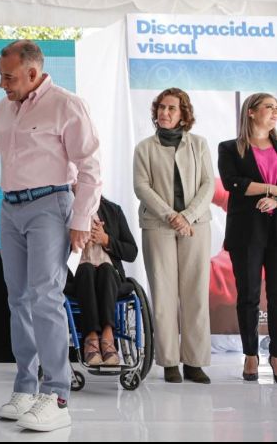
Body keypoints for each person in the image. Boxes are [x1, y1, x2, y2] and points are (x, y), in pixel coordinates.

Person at [0, 40, 101, 432]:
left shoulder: (66, 104)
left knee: (46, 297)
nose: (2, 84)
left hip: (50, 205)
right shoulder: (5, 108)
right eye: (0, 76)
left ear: (32, 73)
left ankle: (57, 395)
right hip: (10, 208)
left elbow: (90, 165)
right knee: (19, 299)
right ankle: (26, 388)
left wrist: (81, 218)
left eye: (8, 77)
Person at [133, 87, 214, 384]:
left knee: (195, 294)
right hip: (158, 226)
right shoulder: (144, 148)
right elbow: (141, 187)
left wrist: (187, 216)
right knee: (163, 293)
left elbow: (208, 184)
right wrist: (171, 216)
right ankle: (168, 362)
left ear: (183, 114)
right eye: (161, 107)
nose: (164, 113)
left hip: (196, 225)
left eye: (171, 108)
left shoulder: (199, 144)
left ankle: (194, 362)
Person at [218, 92, 277, 382]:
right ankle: (251, 354)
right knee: (249, 295)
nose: (275, 112)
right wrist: (272, 189)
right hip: (246, 232)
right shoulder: (230, 148)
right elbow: (233, 183)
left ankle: (276, 355)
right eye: (269, 107)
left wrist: (275, 199)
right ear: (251, 112)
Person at [63, 197, 138, 366]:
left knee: (105, 269)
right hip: (79, 276)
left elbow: (131, 252)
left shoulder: (113, 210)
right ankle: (91, 337)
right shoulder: (66, 210)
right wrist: (75, 243)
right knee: (86, 269)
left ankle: (107, 336)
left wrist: (106, 240)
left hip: (110, 276)